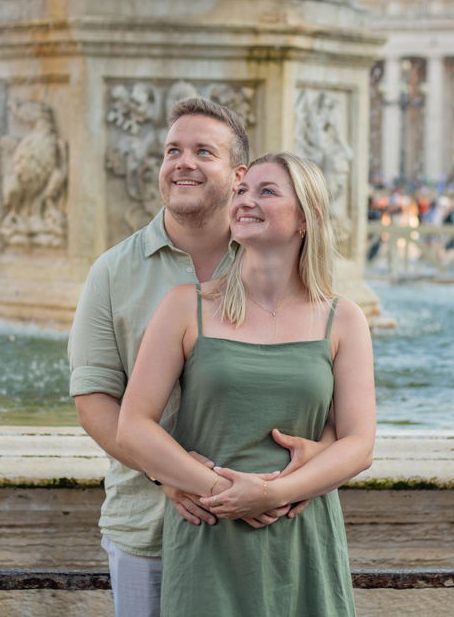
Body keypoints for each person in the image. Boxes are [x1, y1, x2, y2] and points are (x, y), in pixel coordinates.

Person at [69, 100, 335, 617]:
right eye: (173, 150)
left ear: (239, 175)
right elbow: (93, 400)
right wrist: (167, 474)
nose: (182, 162)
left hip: (272, 523)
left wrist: (308, 470)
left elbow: (328, 389)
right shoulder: (112, 271)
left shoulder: (278, 256)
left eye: (202, 151)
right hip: (147, 525)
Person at [117, 152, 376, 616]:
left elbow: (359, 445)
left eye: (266, 191)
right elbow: (133, 426)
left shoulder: (344, 319)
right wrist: (219, 489)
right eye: (241, 191)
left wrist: (272, 494)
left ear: (306, 218)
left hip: (302, 536)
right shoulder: (185, 306)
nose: (244, 200)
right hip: (208, 535)